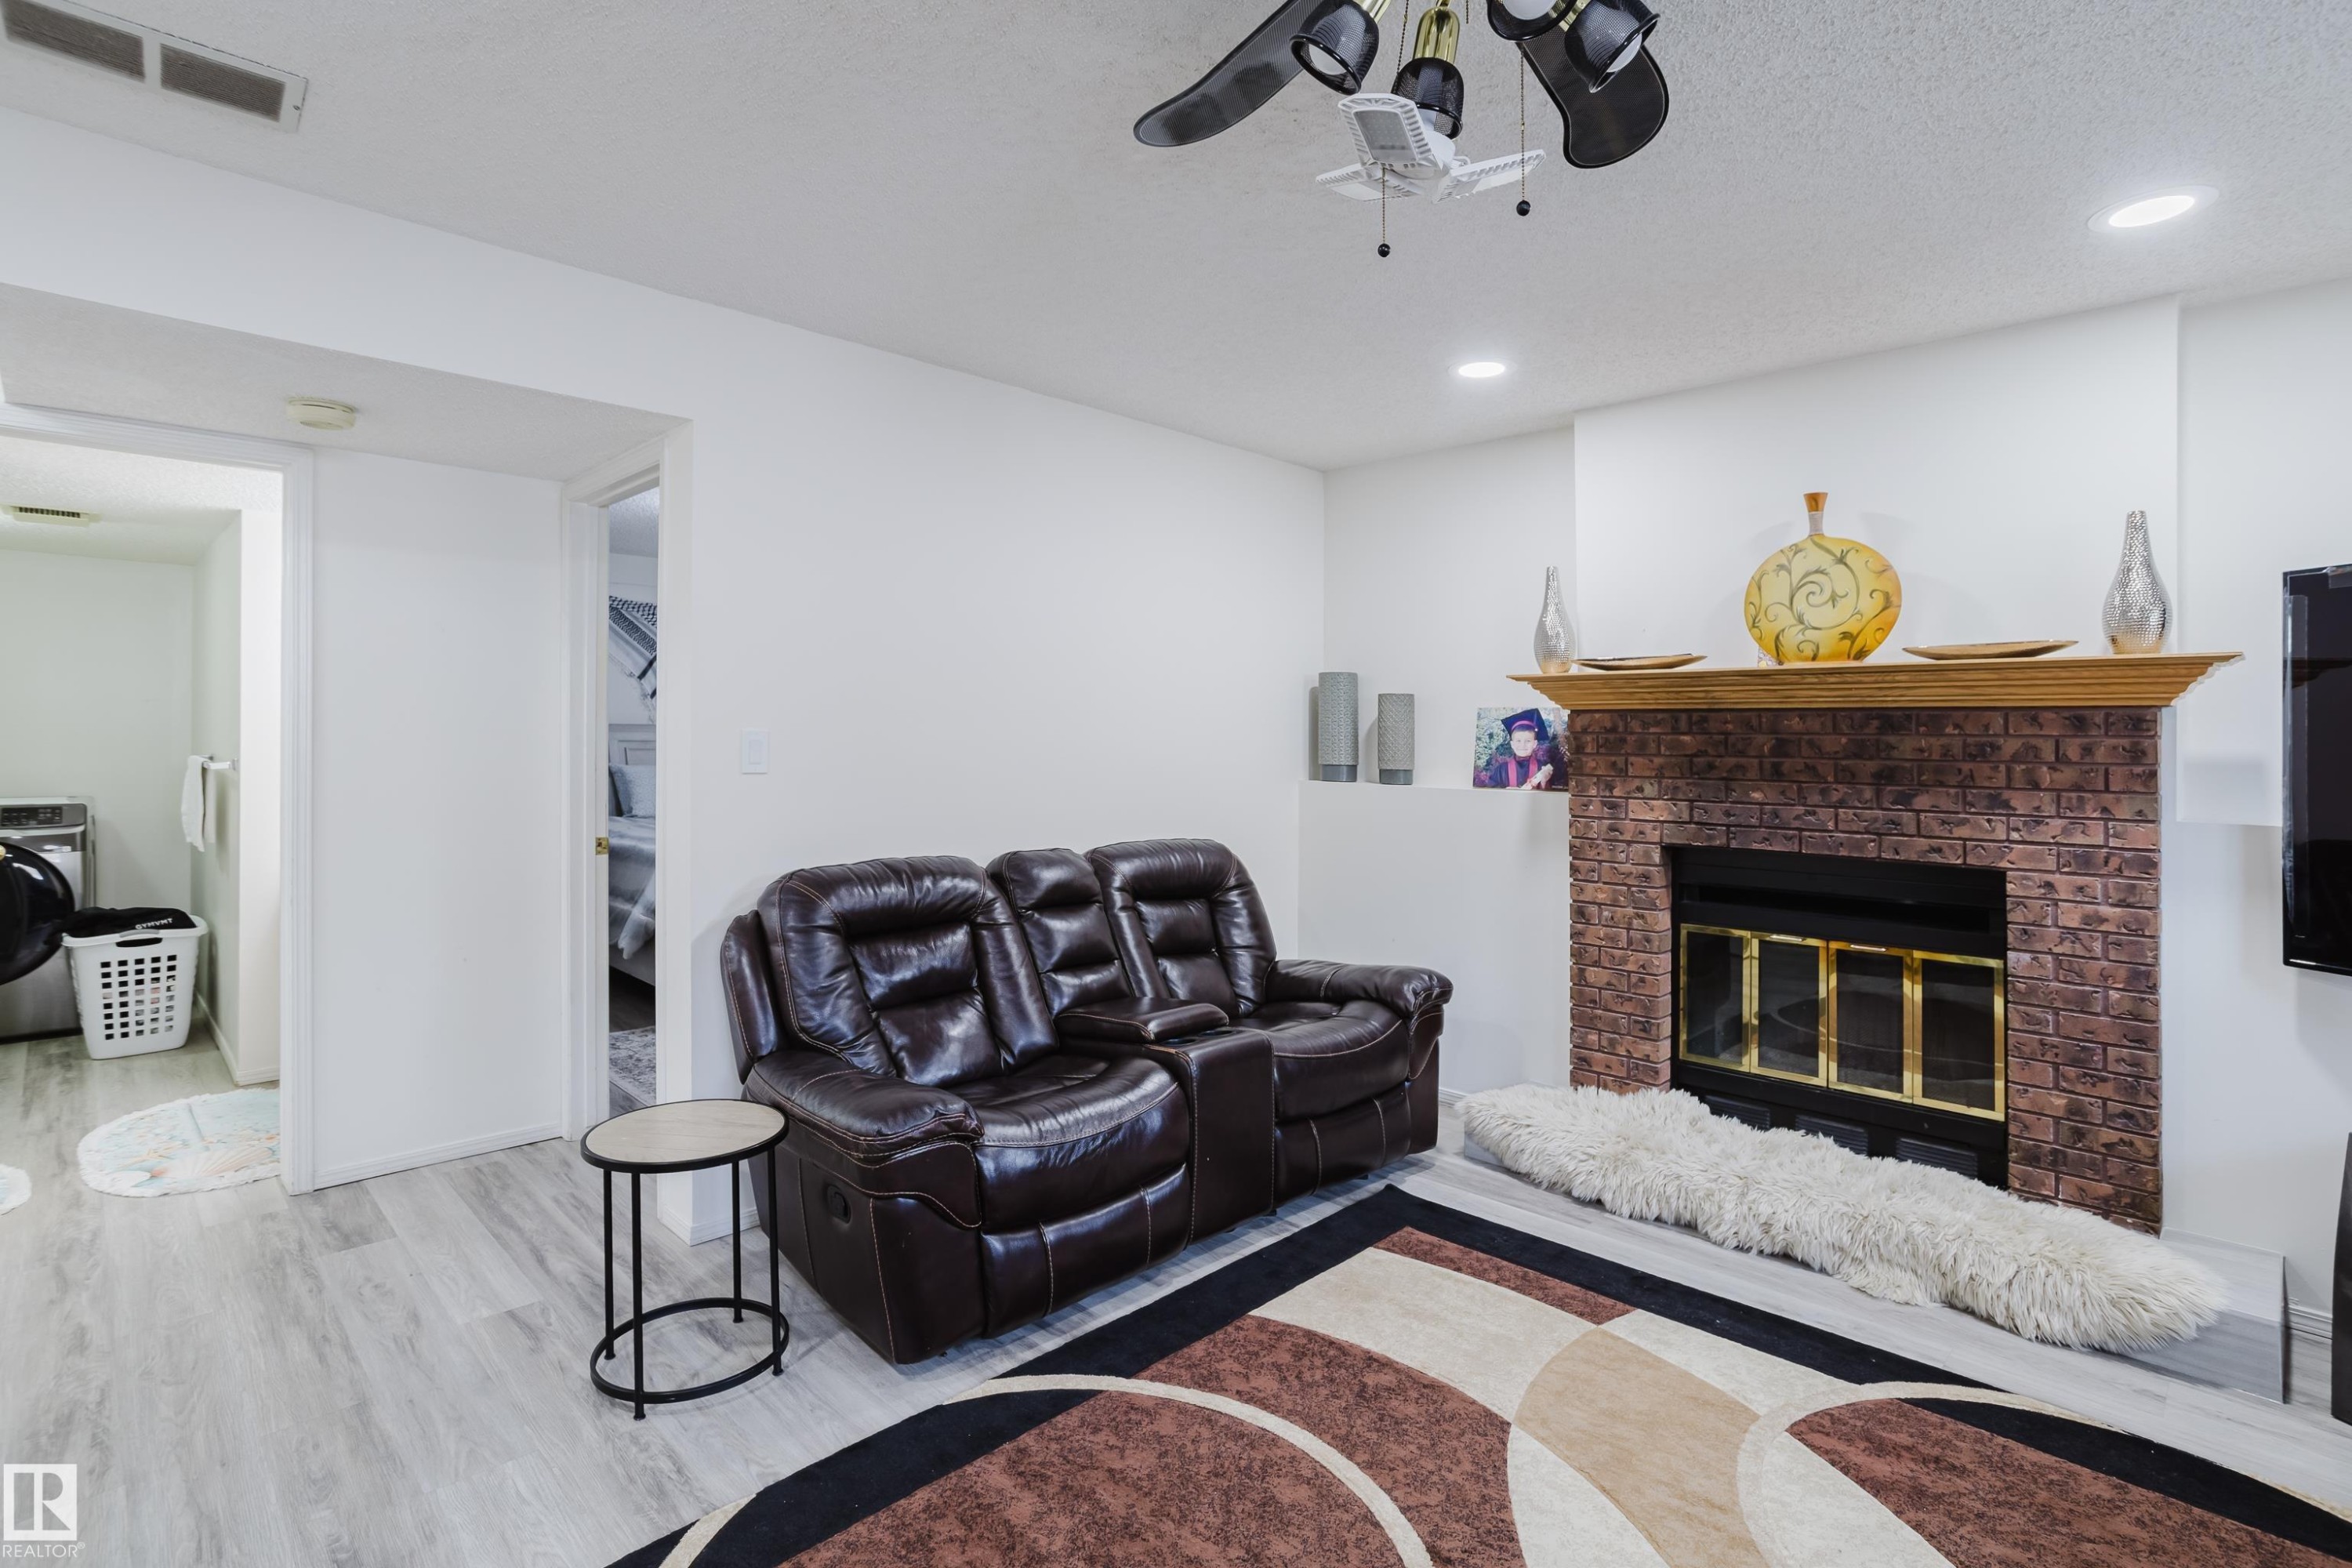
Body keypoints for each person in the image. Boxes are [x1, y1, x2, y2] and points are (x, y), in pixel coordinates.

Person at [1477, 709, 1559, 790]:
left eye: (1528, 741)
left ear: (1534, 744)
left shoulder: (1542, 768)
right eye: (1518, 741)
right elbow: (1492, 795)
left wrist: (1544, 782)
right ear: (1512, 744)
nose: (1522, 745)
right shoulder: (1501, 770)